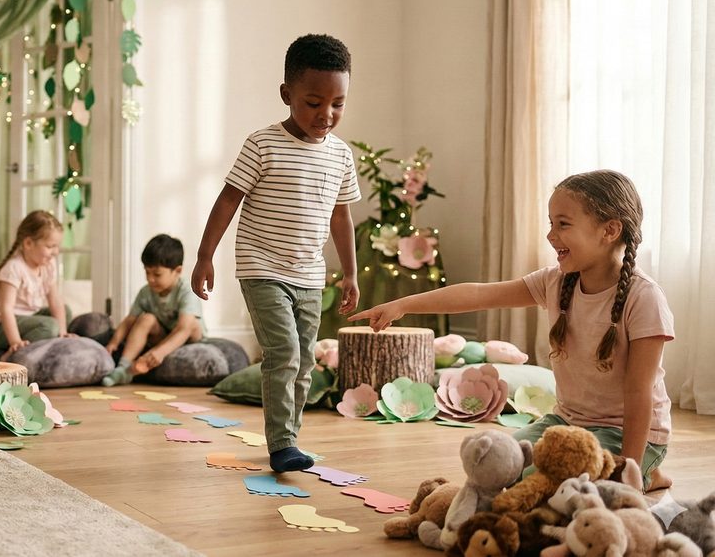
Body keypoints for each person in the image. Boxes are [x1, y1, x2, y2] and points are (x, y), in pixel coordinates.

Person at [350, 170, 673, 491]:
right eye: (551, 223)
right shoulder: (555, 282)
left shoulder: (643, 298)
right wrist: (403, 305)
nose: (550, 235)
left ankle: (647, 470)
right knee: (496, 464)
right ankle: (645, 474)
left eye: (563, 224)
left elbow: (638, 394)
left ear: (610, 230)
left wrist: (629, 469)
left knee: (557, 486)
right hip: (566, 424)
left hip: (626, 432)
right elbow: (478, 294)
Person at [192, 34, 361, 472]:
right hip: (261, 265)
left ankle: (290, 436)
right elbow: (228, 199)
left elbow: (341, 217)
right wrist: (204, 256)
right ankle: (281, 443)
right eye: (313, 102)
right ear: (287, 94)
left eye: (337, 103)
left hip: (309, 273)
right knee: (283, 351)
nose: (326, 114)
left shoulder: (341, 156)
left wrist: (350, 274)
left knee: (305, 361)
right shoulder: (263, 144)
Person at [102, 234, 207, 386]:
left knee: (191, 325)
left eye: (157, 274)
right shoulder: (146, 292)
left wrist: (159, 352)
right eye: (147, 272)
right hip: (164, 335)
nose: (150, 279)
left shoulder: (186, 291)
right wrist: (113, 342)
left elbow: (184, 329)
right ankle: (123, 369)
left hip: (190, 340)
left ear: (177, 271)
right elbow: (129, 321)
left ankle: (148, 359)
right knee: (146, 318)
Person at [0, 210, 74, 358]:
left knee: (64, 312)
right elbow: (6, 310)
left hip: (24, 317)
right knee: (49, 326)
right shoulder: (14, 268)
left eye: (57, 246)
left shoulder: (48, 265)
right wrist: (15, 341)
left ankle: (55, 339)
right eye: (50, 246)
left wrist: (63, 332)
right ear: (28, 243)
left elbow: (55, 300)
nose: (55, 252)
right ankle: (16, 354)